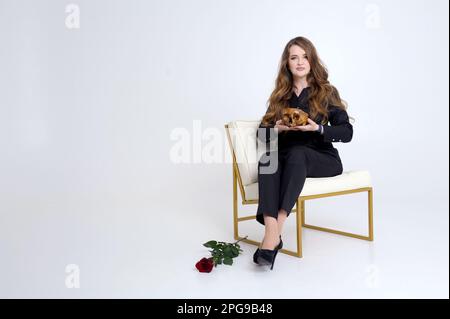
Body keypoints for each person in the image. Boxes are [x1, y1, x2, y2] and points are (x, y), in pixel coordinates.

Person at [254, 36, 354, 270]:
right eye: (294, 57)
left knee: (299, 152)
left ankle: (274, 232)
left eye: (305, 56)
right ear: (287, 64)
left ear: (312, 60)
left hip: (322, 158)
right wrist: (275, 128)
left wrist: (317, 128)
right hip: (288, 157)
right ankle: (272, 233)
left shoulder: (326, 92)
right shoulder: (281, 95)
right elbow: (261, 136)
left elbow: (347, 132)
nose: (300, 62)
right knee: (268, 158)